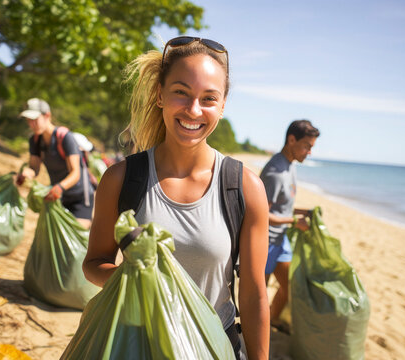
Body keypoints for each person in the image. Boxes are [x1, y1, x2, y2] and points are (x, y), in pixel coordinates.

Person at [82, 37, 270, 359]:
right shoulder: (121, 179)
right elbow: (94, 264)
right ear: (160, 95)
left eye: (208, 98)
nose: (193, 110)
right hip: (138, 344)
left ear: (222, 106)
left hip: (213, 347)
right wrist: (136, 275)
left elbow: (253, 295)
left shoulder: (244, 187)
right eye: (181, 92)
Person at [259, 119, 320, 331]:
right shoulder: (275, 172)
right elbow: (260, 215)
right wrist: (295, 221)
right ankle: (258, 333)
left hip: (281, 238)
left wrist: (305, 213)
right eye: (307, 146)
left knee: (289, 287)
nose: (309, 152)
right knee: (259, 295)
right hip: (264, 243)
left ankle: (273, 320)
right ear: (291, 140)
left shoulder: (290, 165)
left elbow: (281, 207)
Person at [17, 98, 95, 229]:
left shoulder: (65, 137)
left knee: (76, 238)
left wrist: (59, 188)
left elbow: (75, 173)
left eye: (34, 120)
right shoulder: (35, 140)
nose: (31, 124)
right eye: (28, 120)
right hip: (58, 197)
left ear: (47, 115)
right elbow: (34, 168)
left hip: (79, 197)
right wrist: (26, 174)